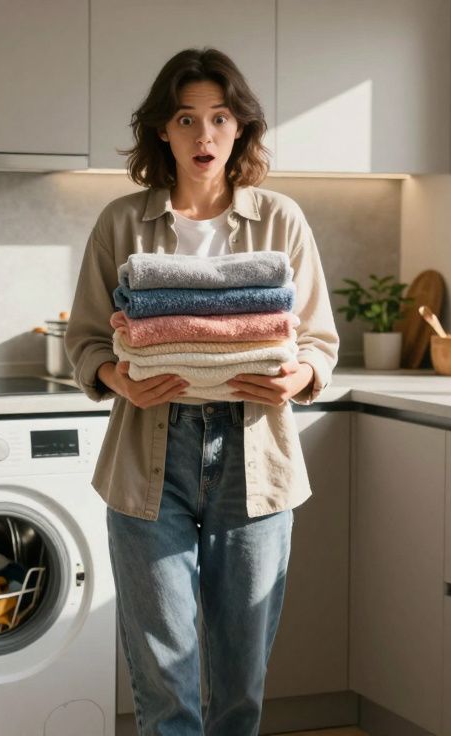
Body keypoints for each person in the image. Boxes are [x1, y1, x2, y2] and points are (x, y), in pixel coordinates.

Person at [65, 47, 339, 736]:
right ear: (163, 130)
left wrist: (297, 375)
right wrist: (115, 375)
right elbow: (87, 340)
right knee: (165, 681)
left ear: (241, 128)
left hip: (256, 456)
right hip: (147, 458)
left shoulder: (281, 221)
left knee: (241, 681)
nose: (204, 135)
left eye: (220, 118)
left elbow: (320, 343)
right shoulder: (122, 224)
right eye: (187, 119)